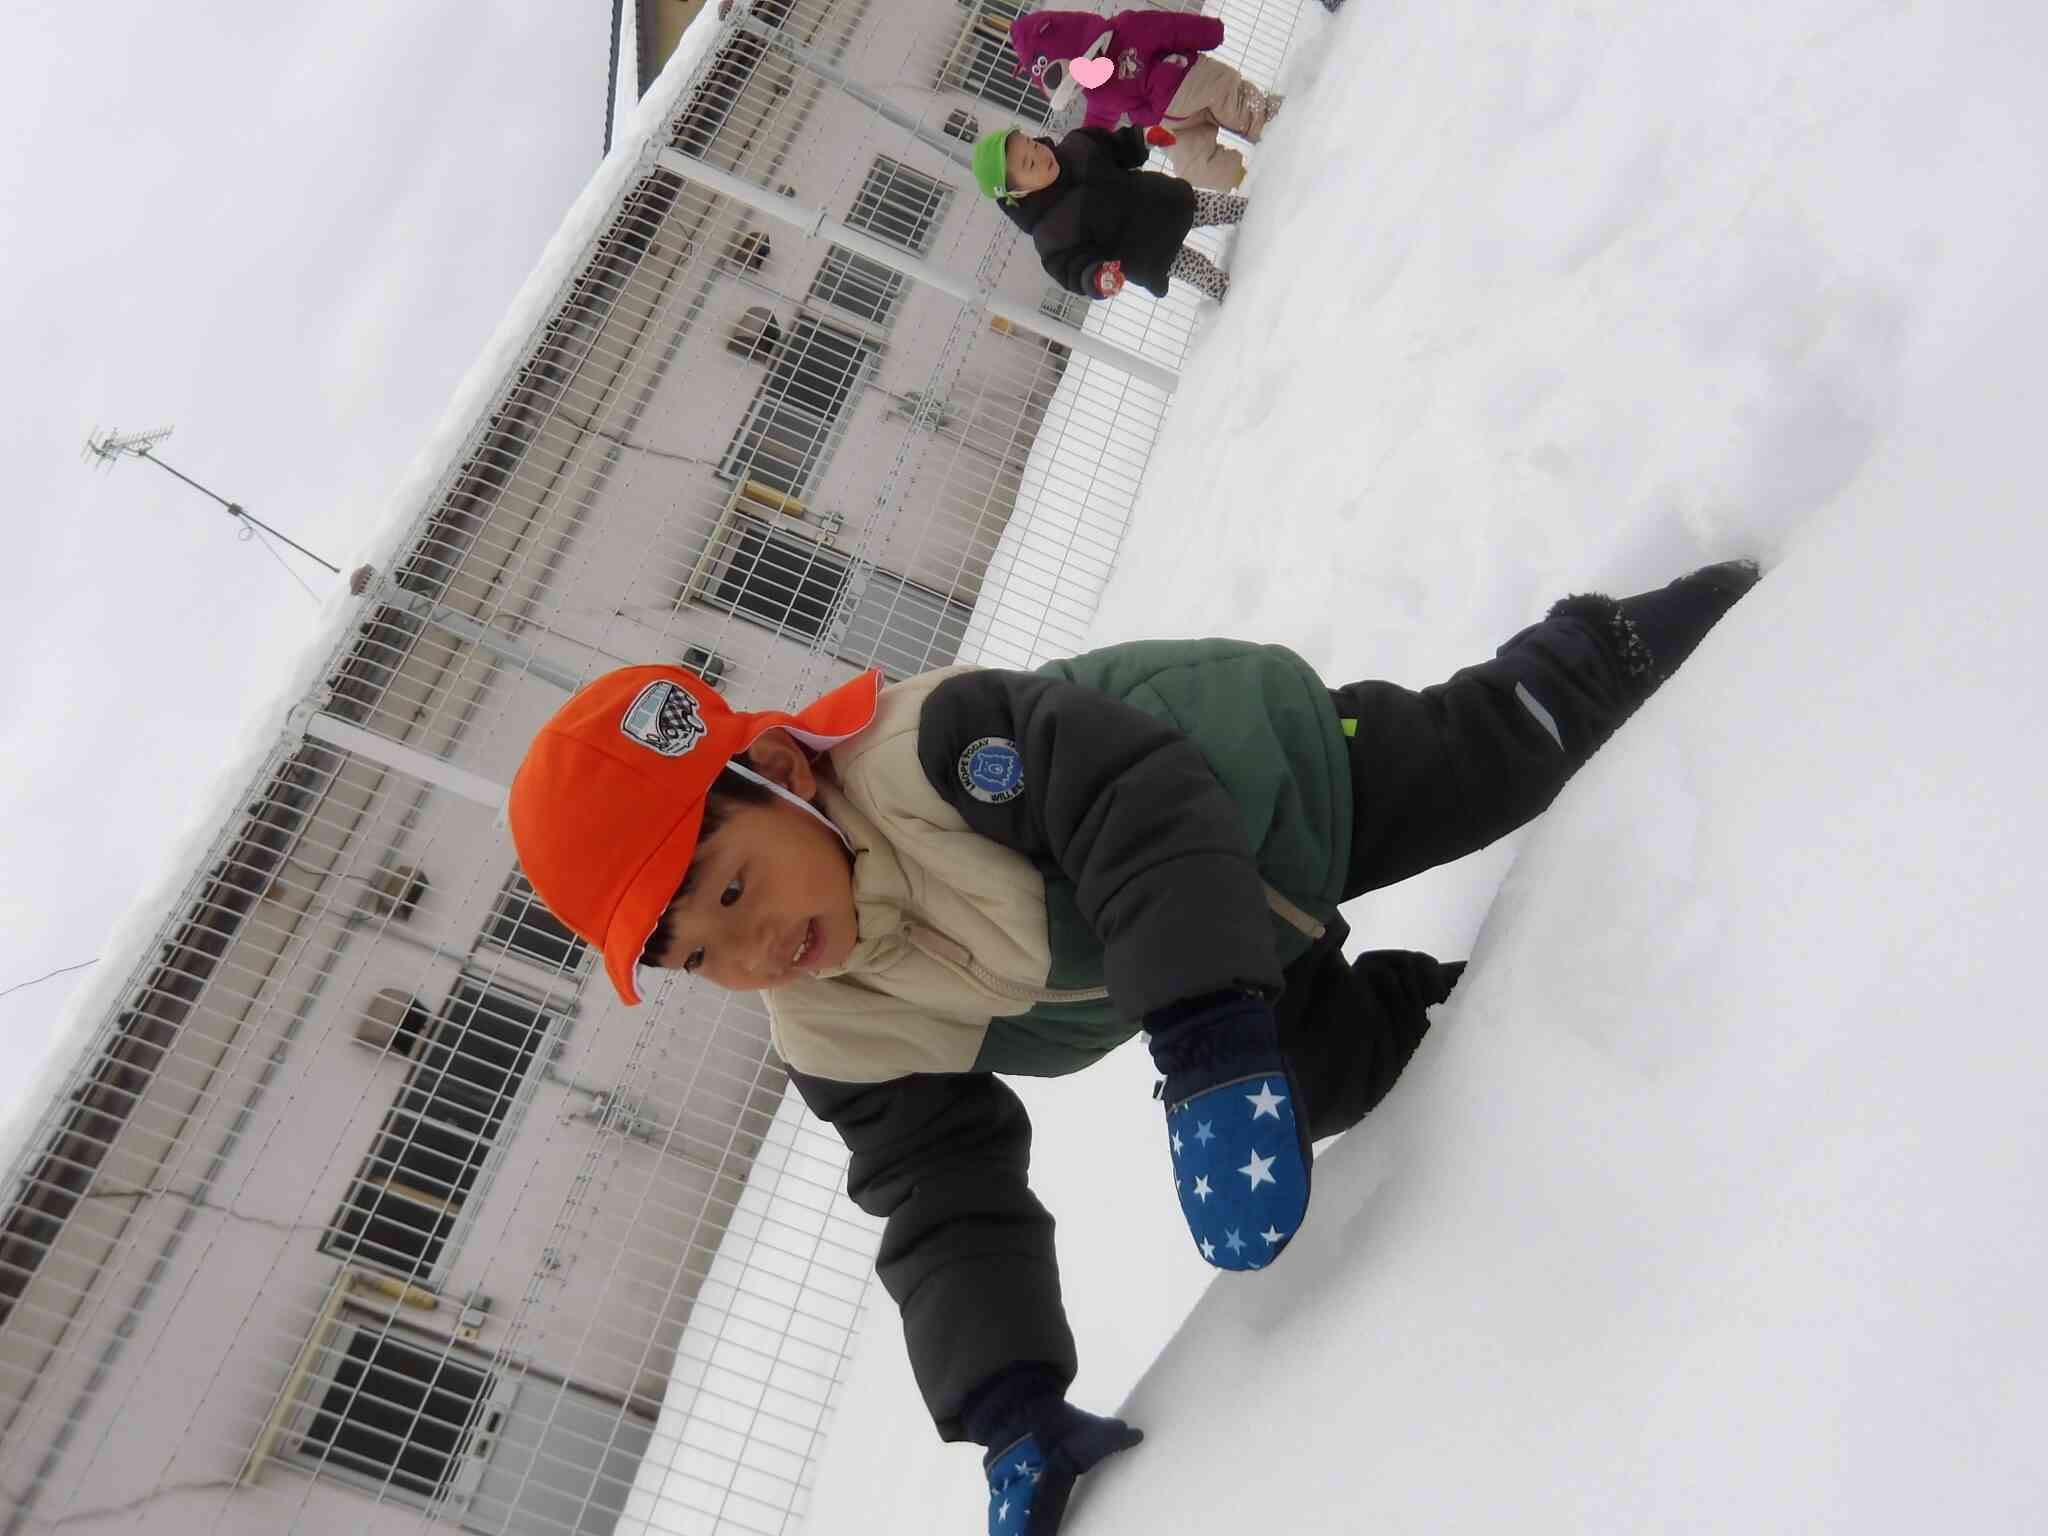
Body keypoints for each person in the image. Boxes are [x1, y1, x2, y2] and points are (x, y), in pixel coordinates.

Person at [507, 560, 1760, 1535]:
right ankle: (1469, 1007)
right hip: (1206, 963)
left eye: (732, 890)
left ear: (782, 770)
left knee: (1491, 763)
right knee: (1337, 1083)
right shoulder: (830, 1022)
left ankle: (1634, 635)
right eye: (697, 959)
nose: (752, 950)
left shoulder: (938, 753)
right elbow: (935, 1188)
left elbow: (1136, 817)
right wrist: (1007, 1405)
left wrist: (1206, 1044)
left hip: (1264, 790)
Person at [1007, 7, 1282, 192]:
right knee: (1195, 166)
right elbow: (1097, 124)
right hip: (1171, 125)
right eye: (1075, 85)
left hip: (1191, 79)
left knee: (1237, 106)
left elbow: (1170, 27)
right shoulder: (1095, 92)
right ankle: (1252, 182)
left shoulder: (1127, 29)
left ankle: (1277, 123)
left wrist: (1206, 32)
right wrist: (1087, 151)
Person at [973, 122, 1245, 305]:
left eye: (1033, 145)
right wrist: (1097, 278)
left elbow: (1118, 146)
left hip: (1167, 200)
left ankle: (1265, 216)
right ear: (1018, 193)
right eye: (1030, 164)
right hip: (1150, 252)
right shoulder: (1051, 235)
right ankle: (1241, 300)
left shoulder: (1078, 145)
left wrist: (1143, 138)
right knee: (1208, 278)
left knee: (1232, 209)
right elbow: (1074, 270)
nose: (1041, 155)